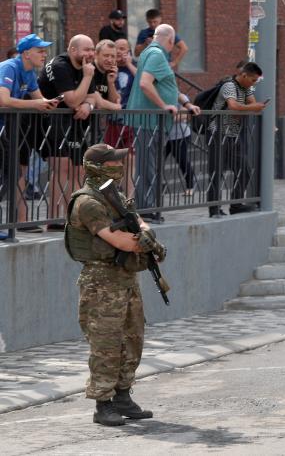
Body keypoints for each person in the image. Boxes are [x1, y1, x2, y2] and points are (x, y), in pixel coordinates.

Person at [65, 142, 165, 427]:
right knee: (106, 344)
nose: (120, 166)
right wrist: (146, 242)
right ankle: (103, 404)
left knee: (132, 339)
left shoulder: (114, 194)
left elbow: (138, 222)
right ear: (96, 167)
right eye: (113, 163)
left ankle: (122, 396)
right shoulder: (88, 202)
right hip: (102, 282)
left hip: (126, 277)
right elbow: (121, 241)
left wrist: (146, 234)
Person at [125, 24, 199, 221]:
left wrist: (186, 103)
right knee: (147, 167)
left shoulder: (152, 54)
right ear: (171, 40)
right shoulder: (157, 55)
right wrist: (164, 105)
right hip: (149, 121)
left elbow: (168, 86)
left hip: (152, 122)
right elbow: (144, 83)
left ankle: (150, 209)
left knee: (150, 166)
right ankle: (147, 210)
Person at [37, 35, 99, 224]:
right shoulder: (60, 65)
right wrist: (87, 77)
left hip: (74, 124)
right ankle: (55, 219)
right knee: (61, 167)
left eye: (92, 49)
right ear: (73, 50)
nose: (91, 53)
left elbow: (92, 97)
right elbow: (72, 101)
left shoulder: (87, 67)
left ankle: (73, 217)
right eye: (86, 49)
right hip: (51, 120)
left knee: (78, 169)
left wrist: (88, 106)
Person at [0, 34, 59, 223]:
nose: (44, 54)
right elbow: (4, 100)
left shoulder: (30, 73)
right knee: (10, 173)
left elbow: (39, 99)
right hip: (3, 129)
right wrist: (37, 104)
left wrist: (51, 102)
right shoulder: (9, 67)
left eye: (45, 51)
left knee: (12, 173)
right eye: (40, 51)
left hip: (3, 130)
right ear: (26, 53)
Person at [207, 62, 266, 217]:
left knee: (244, 170)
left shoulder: (246, 88)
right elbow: (233, 106)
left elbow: (252, 103)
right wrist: (252, 108)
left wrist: (253, 106)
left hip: (233, 134)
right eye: (253, 80)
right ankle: (214, 209)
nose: (254, 83)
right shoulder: (229, 86)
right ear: (244, 75)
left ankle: (236, 205)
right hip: (218, 133)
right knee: (216, 172)